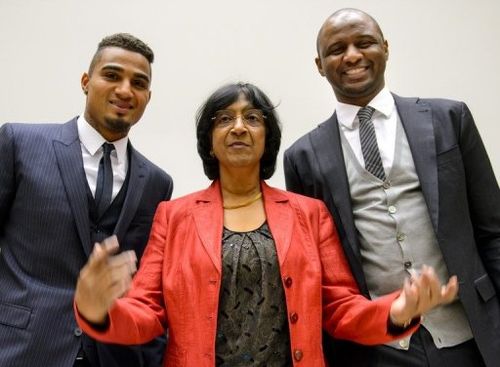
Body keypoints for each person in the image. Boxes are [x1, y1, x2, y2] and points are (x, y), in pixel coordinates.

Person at [74, 82, 457, 367]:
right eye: (224, 119)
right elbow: (146, 313)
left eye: (252, 119)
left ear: (267, 139)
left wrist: (395, 311)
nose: (238, 127)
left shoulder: (309, 214)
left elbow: (340, 309)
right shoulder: (174, 216)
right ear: (210, 141)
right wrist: (98, 311)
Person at [283, 8, 500, 367]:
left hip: (470, 332)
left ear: (385, 48)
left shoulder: (449, 118)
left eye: (364, 43)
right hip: (378, 349)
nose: (352, 55)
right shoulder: (303, 157)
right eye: (336, 49)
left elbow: (493, 229)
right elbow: (321, 271)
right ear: (319, 65)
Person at [0, 33, 173, 367]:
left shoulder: (157, 183)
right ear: (85, 81)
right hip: (20, 348)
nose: (125, 90)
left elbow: (147, 288)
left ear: (147, 97)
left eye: (138, 83)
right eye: (112, 75)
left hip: (109, 356)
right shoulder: (19, 143)